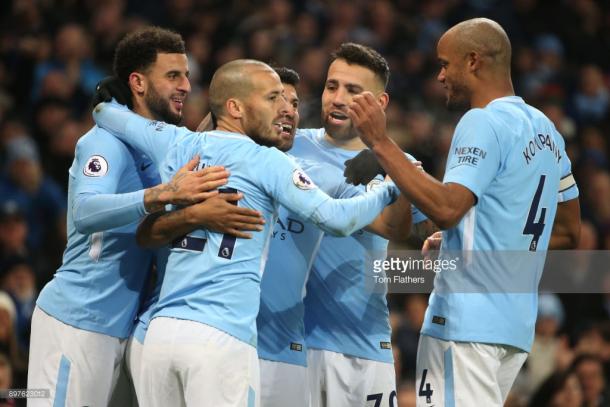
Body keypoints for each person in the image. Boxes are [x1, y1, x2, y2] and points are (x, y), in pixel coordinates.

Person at [92, 58, 399, 407]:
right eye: (273, 99)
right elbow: (339, 219)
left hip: (161, 334)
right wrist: (389, 188)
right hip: (223, 336)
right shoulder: (269, 160)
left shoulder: (179, 143)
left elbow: (112, 118)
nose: (284, 108)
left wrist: (105, 102)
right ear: (236, 107)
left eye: (290, 102)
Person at [346, 18, 581, 406]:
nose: (440, 75)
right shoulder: (547, 131)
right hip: (515, 328)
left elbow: (447, 208)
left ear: (472, 61)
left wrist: (381, 142)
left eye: (445, 64)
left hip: (465, 322)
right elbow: (569, 232)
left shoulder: (480, 121)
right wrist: (470, 242)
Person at [27, 27, 254, 407]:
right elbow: (84, 212)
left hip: (127, 328)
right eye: (172, 76)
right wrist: (161, 194)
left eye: (186, 75)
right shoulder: (103, 142)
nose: (185, 85)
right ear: (138, 82)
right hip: (77, 319)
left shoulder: (166, 146)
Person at [298, 43, 434, 407]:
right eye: (332, 86)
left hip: (365, 343)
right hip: (290, 344)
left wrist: (389, 163)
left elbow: (406, 231)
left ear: (381, 104)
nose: (338, 99)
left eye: (354, 91)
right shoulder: (289, 147)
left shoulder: (401, 162)